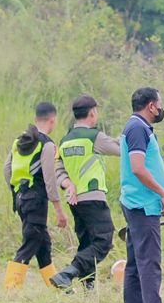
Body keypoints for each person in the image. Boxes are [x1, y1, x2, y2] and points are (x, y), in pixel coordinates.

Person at [51, 95, 121, 291]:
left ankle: (88, 289)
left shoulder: (65, 141)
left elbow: (58, 169)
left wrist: (67, 184)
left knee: (87, 242)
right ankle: (68, 273)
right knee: (103, 240)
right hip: (93, 195)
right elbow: (120, 150)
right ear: (92, 113)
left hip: (75, 200)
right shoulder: (93, 137)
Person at [120, 87, 164, 303]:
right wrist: (162, 193)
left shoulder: (138, 127)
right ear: (151, 106)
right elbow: (138, 168)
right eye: (159, 104)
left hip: (138, 202)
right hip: (143, 204)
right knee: (150, 262)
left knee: (135, 261)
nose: (161, 109)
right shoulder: (137, 128)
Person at [4, 102, 68, 290]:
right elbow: (50, 179)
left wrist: (17, 192)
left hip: (20, 199)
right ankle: (11, 288)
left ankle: (57, 287)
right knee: (31, 242)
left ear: (36, 119)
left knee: (43, 244)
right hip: (36, 200)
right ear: (52, 120)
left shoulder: (18, 141)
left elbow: (6, 169)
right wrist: (59, 210)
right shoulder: (47, 145)